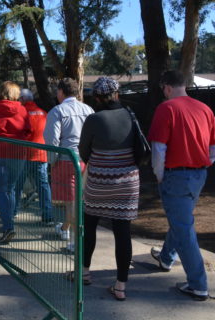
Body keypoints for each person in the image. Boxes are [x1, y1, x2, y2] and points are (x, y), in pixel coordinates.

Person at [147, 70, 215, 301]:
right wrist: (203, 164)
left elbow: (159, 148)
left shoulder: (166, 109)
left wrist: (158, 174)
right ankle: (167, 257)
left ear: (167, 87)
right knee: (181, 219)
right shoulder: (204, 109)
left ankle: (198, 284)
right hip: (198, 175)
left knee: (183, 227)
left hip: (175, 175)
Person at [78, 77, 140, 301]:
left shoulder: (94, 119)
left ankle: (84, 273)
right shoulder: (130, 115)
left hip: (99, 182)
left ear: (96, 98)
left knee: (90, 225)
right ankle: (120, 286)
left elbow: (83, 151)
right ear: (117, 94)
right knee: (123, 232)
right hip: (127, 182)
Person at [44, 78, 93, 244]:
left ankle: (73, 241)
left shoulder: (57, 111)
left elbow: (52, 140)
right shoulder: (88, 109)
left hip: (65, 160)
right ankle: (66, 229)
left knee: (70, 201)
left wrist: (52, 161)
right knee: (78, 199)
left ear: (61, 92)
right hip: (85, 160)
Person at [0, 81, 31, 244]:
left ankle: (8, 225)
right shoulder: (23, 109)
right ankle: (8, 223)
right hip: (18, 152)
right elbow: (29, 130)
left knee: (2, 190)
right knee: (10, 188)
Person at [14, 89, 53, 224]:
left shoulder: (22, 113)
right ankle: (47, 216)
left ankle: (13, 211)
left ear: (23, 99)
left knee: (17, 185)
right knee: (43, 186)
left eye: (19, 99)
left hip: (23, 154)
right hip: (41, 154)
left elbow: (20, 132)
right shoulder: (43, 113)